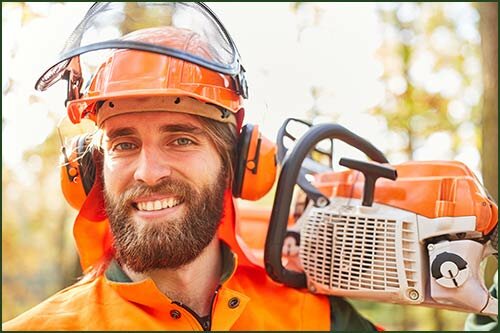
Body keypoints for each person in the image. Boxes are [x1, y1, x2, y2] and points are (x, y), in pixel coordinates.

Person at [3, 2, 378, 331]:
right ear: (92, 173)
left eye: (181, 139)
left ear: (235, 159)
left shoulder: (312, 319)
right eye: (124, 144)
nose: (148, 173)